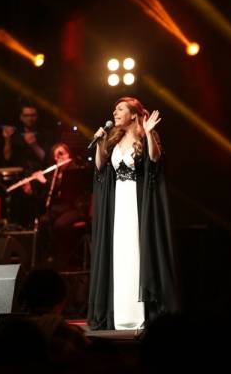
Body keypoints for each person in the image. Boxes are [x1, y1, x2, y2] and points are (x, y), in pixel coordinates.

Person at [88, 96, 179, 330]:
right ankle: (121, 313)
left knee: (137, 252)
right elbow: (100, 166)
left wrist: (148, 133)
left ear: (133, 114)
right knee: (120, 253)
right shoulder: (113, 139)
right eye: (114, 109)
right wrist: (99, 142)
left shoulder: (145, 136)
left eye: (120, 109)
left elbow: (154, 160)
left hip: (137, 204)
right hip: (118, 204)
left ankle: (142, 313)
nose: (115, 113)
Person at [0, 100, 54, 228]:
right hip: (19, 177)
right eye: (26, 115)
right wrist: (7, 140)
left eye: (33, 115)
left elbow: (45, 158)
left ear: (37, 117)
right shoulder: (15, 134)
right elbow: (7, 157)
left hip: (39, 176)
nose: (30, 118)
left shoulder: (45, 134)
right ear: (21, 117)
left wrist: (33, 145)